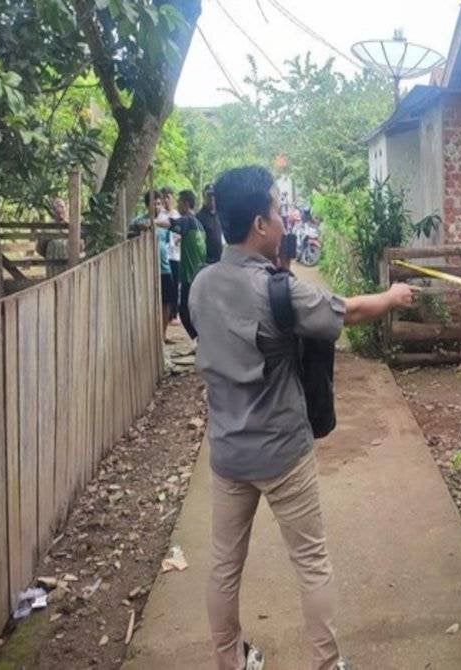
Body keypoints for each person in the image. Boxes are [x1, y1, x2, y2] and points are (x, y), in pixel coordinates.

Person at [190, 166, 415, 670]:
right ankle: (326, 663)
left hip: (227, 453)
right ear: (259, 224)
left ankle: (231, 662)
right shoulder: (278, 291)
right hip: (283, 454)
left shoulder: (201, 284)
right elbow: (347, 312)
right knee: (312, 563)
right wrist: (393, 297)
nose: (280, 217)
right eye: (274, 209)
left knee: (224, 567)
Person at [160, 190, 207, 340]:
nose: (178, 205)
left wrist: (152, 222)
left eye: (179, 202)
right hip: (198, 274)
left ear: (186, 204)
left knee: (184, 311)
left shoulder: (187, 220)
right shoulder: (198, 223)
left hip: (190, 276)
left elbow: (170, 224)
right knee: (196, 311)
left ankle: (201, 339)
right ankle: (202, 340)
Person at [132, 190, 177, 341]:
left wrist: (152, 223)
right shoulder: (139, 221)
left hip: (164, 267)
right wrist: (141, 227)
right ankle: (146, 335)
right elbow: (131, 230)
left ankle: (163, 334)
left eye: (159, 203)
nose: (157, 206)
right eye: (153, 203)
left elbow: (172, 227)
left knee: (167, 301)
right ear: (147, 205)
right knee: (146, 302)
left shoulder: (165, 220)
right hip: (145, 268)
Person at [197, 183, 224, 264]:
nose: (212, 198)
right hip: (206, 261)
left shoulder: (220, 215)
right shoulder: (199, 217)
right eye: (209, 195)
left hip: (220, 260)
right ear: (204, 196)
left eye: (213, 195)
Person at [160, 186, 182, 283]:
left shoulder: (177, 215)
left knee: (175, 285)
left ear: (172, 198)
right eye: (163, 197)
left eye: (168, 197)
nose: (165, 200)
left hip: (175, 255)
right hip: (163, 256)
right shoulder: (159, 215)